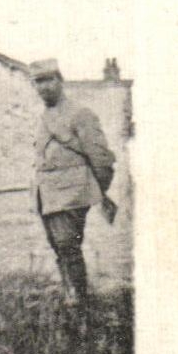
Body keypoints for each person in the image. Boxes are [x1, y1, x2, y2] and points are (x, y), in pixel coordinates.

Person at [29, 58, 116, 316]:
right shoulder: (45, 117)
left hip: (72, 194)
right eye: (39, 82)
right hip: (48, 195)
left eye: (49, 80)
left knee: (68, 247)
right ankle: (72, 297)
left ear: (60, 81)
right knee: (60, 249)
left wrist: (96, 190)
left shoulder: (80, 114)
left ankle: (80, 303)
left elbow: (101, 158)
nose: (44, 88)